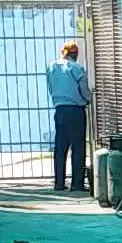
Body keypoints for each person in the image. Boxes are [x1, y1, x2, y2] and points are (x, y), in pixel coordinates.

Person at [45, 40, 92, 192]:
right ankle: (77, 184)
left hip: (59, 110)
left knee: (60, 147)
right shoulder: (77, 68)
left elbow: (51, 87)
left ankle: (59, 183)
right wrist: (88, 99)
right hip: (76, 111)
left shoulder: (52, 67)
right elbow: (83, 90)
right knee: (78, 147)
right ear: (75, 54)